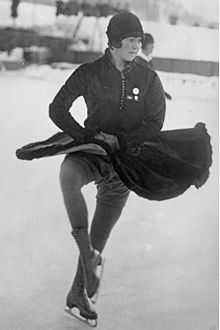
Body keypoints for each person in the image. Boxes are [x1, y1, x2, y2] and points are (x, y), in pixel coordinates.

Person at [48, 12, 166, 324]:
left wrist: (124, 141)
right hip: (93, 153)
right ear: (113, 41)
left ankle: (78, 294)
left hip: (124, 165)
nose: (136, 44)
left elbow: (155, 124)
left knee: (100, 235)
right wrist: (82, 134)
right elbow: (57, 108)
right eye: (130, 39)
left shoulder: (149, 78)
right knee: (68, 176)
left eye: (139, 40)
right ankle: (87, 253)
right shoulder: (89, 73)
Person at [138, 33, 172, 100]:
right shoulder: (139, 62)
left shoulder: (148, 61)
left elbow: (153, 81)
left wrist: (163, 93)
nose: (153, 47)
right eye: (151, 44)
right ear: (144, 45)